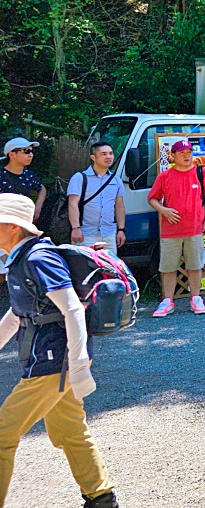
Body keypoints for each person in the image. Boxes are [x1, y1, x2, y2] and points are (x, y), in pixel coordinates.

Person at [0, 194, 118, 507]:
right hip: (53, 360)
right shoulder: (18, 259)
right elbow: (18, 314)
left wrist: (79, 365)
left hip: (54, 363)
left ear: (12, 227)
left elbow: (73, 310)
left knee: (2, 435)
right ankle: (102, 498)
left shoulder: (39, 258)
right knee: (70, 430)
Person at [148, 140, 205, 317]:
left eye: (189, 152)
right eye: (182, 152)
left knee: (195, 265)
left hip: (195, 228)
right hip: (170, 230)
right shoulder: (164, 176)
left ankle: (196, 298)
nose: (187, 156)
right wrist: (164, 210)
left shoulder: (203, 173)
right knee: (168, 267)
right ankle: (167, 301)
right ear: (172, 156)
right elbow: (152, 198)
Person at [67, 142, 126, 254]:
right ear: (93, 157)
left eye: (110, 153)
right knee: (84, 269)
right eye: (104, 154)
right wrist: (75, 228)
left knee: (110, 269)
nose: (108, 157)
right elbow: (72, 204)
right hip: (85, 235)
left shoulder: (116, 180)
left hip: (109, 234)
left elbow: (119, 206)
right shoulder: (80, 178)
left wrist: (121, 230)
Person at [0, 138, 47, 223]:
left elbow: (42, 189)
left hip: (23, 223)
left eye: (31, 151)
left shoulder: (29, 175)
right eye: (26, 151)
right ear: (12, 154)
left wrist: (38, 206)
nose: (31, 155)